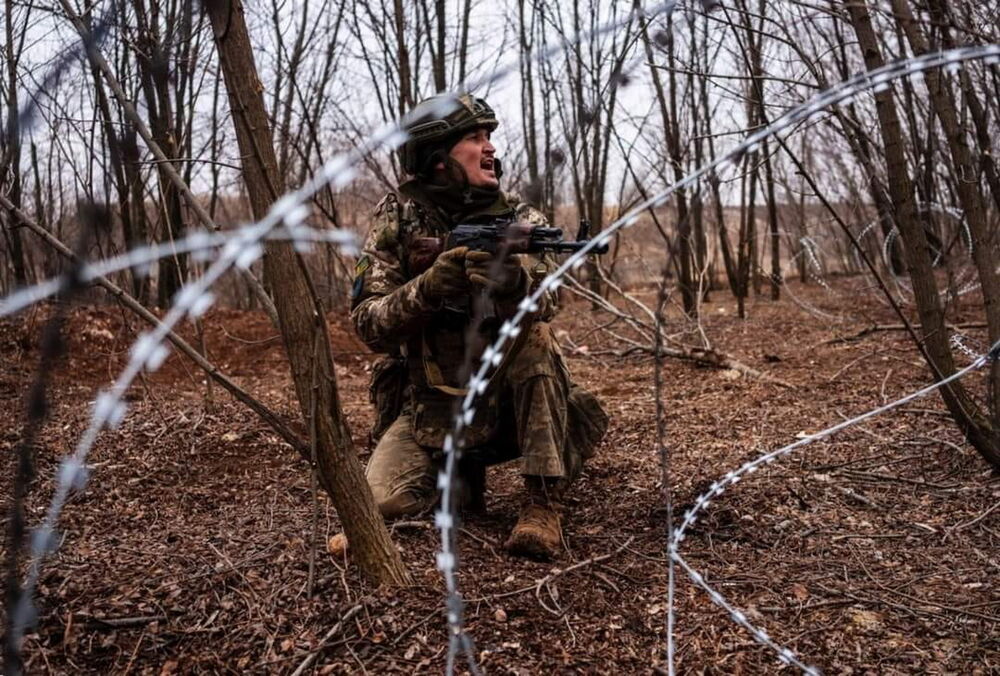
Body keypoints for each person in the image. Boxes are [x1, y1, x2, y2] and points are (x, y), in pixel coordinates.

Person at [349, 92, 608, 559]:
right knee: (385, 501)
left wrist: (514, 286)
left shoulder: (520, 218)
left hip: (508, 404)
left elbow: (549, 301)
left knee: (536, 335)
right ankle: (460, 474)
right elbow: (368, 325)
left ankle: (542, 504)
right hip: (431, 406)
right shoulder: (398, 219)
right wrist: (430, 286)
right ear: (437, 159)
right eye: (473, 137)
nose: (489, 147)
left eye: (489, 136)